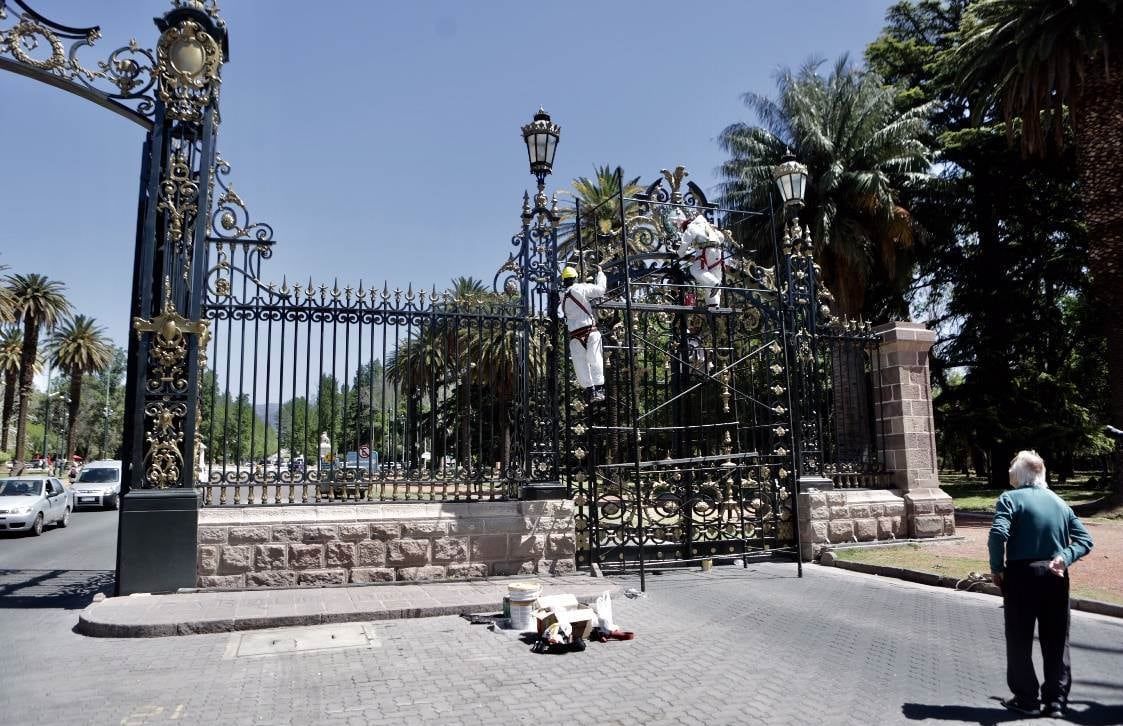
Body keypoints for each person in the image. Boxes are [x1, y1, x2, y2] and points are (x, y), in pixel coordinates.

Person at [989, 450, 1094, 718]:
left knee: (1019, 638)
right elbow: (1085, 540)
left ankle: (1027, 698)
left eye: (1013, 466)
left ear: (1019, 474)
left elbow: (998, 534)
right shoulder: (1059, 502)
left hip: (1021, 574)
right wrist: (1065, 557)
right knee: (1057, 638)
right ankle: (1056, 701)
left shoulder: (1009, 499)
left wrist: (996, 568)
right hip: (1055, 574)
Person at [559, 264, 606, 403]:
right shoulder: (581, 287)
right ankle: (599, 389)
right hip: (590, 331)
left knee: (580, 365)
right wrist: (600, 274)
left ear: (564, 280)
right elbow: (601, 290)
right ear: (575, 278)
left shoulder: (562, 295)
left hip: (574, 336)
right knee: (595, 359)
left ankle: (590, 391)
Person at [675, 211, 726, 308]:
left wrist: (680, 254)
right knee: (709, 277)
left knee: (695, 270)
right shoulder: (708, 226)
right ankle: (714, 305)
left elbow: (684, 244)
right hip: (718, 253)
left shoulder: (692, 226)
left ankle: (714, 283)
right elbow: (721, 238)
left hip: (705, 252)